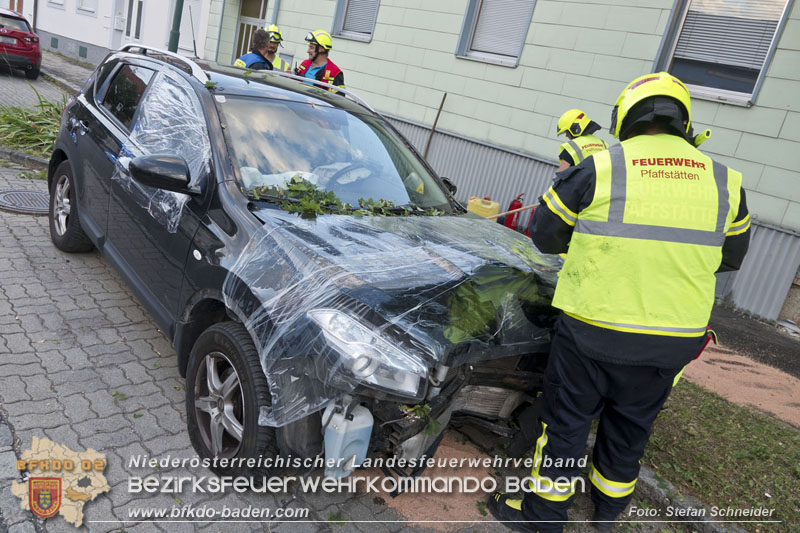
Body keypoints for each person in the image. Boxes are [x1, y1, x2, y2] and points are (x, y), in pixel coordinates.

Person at [488, 72, 751, 532]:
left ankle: (543, 518)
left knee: (567, 423)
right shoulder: (726, 181)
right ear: (683, 120)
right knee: (632, 426)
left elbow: (544, 234)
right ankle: (607, 511)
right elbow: (731, 257)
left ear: (625, 117)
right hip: (672, 339)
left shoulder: (603, 167)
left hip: (593, 329)